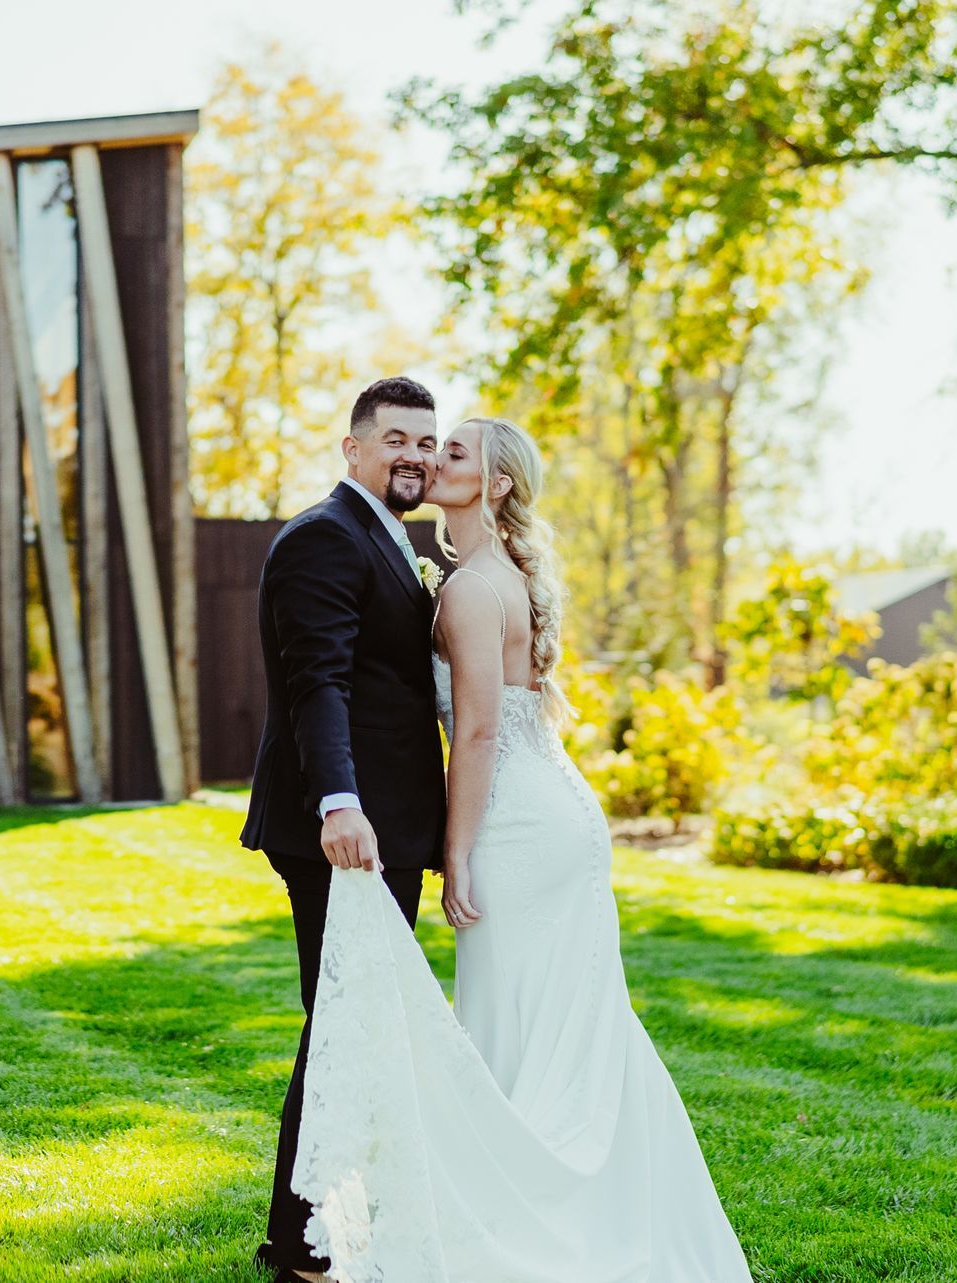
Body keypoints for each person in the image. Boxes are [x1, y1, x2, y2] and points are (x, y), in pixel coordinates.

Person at [287, 416, 754, 1282]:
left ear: (496, 484)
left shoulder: (468, 590)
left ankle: (528, 1227)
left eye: (453, 451)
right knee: (567, 1027)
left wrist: (455, 852)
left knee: (515, 1022)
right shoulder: (492, 576)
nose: (432, 460)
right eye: (429, 447)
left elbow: (477, 734)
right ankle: (587, 1212)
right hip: (557, 811)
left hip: (513, 823)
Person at [239, 375, 448, 1283]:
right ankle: (299, 1248)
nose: (413, 455)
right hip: (346, 833)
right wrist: (340, 803)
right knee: (341, 1029)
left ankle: (313, 1232)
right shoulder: (325, 538)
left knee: (354, 1028)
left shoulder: (394, 540)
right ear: (354, 448)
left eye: (426, 442)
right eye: (396, 438)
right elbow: (315, 681)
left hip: (385, 827)